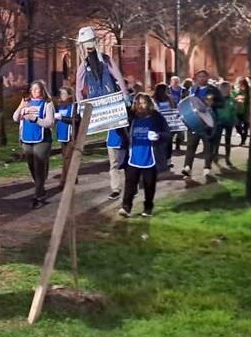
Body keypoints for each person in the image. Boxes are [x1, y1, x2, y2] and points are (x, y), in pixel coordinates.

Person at [74, 26, 128, 196]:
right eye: (85, 43)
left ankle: (130, 175)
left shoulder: (106, 60)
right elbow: (78, 87)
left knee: (125, 140)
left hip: (114, 107)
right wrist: (81, 105)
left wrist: (125, 95)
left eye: (90, 42)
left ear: (95, 42)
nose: (88, 46)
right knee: (112, 148)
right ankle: (116, 187)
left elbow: (118, 76)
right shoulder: (83, 66)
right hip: (99, 110)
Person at [117, 93, 170, 218]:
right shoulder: (131, 117)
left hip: (150, 157)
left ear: (149, 104)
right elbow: (121, 130)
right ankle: (126, 207)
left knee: (149, 184)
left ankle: (148, 207)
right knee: (130, 183)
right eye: (138, 103)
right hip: (133, 157)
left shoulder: (157, 117)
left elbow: (167, 134)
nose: (141, 105)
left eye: (144, 102)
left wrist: (158, 136)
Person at [13, 79, 55, 208]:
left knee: (39, 167)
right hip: (27, 139)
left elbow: (50, 122)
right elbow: (15, 118)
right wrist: (21, 106)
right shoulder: (27, 103)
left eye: (37, 89)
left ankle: (37, 196)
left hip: (42, 140)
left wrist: (36, 119)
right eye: (32, 89)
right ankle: (41, 189)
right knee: (32, 166)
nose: (34, 92)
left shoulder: (48, 104)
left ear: (42, 90)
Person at [181, 70, 223, 179]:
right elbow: (185, 102)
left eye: (204, 76)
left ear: (207, 77)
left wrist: (213, 103)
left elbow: (222, 103)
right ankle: (187, 167)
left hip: (208, 122)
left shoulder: (213, 90)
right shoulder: (192, 89)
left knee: (208, 147)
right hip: (193, 122)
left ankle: (207, 168)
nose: (202, 78)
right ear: (196, 78)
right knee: (191, 146)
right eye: (200, 76)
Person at [54, 87, 77, 187]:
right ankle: (72, 178)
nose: (62, 96)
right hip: (62, 136)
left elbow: (75, 120)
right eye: (61, 94)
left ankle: (65, 181)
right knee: (65, 158)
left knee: (67, 158)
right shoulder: (61, 106)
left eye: (64, 94)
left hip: (70, 136)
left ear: (69, 95)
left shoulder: (73, 106)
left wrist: (62, 118)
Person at [152, 83, 175, 169]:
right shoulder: (153, 99)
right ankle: (159, 161)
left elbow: (173, 108)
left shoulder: (169, 99)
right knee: (159, 143)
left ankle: (168, 160)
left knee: (169, 142)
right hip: (158, 124)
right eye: (165, 89)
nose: (167, 91)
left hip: (169, 124)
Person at [215, 81, 237, 168]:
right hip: (218, 122)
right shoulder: (216, 99)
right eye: (225, 88)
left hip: (229, 122)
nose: (227, 90)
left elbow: (233, 110)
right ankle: (215, 155)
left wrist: (234, 119)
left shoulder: (232, 99)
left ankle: (227, 158)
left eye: (228, 88)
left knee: (228, 140)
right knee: (217, 140)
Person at [232, 77, 251, 146]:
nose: (240, 86)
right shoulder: (235, 91)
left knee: (245, 126)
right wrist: (236, 99)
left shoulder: (249, 91)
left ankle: (243, 141)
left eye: (241, 84)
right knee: (237, 125)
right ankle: (241, 134)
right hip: (237, 111)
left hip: (246, 111)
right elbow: (232, 98)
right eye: (239, 84)